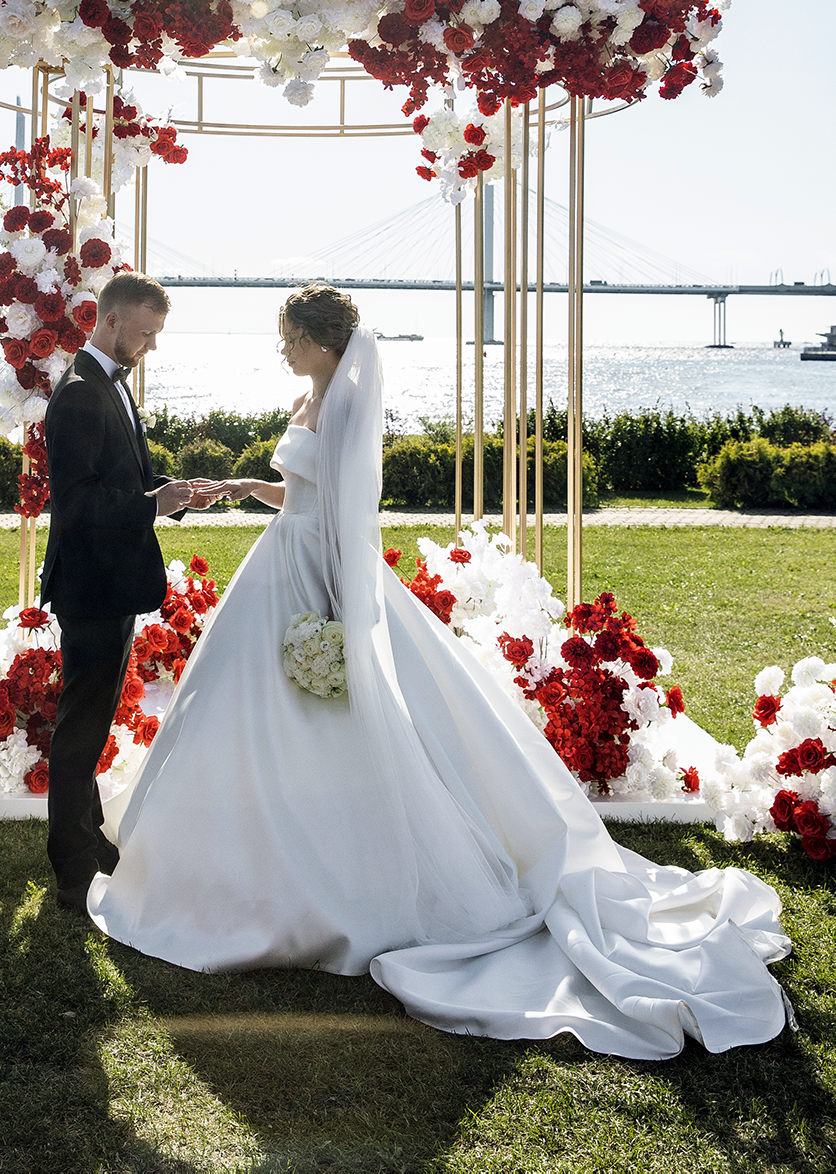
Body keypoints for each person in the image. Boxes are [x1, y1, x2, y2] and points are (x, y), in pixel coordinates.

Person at [88, 284, 791, 1058]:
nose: (281, 349)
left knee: (313, 725)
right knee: (235, 713)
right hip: (278, 560)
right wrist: (245, 488)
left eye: (289, 337)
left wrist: (329, 617)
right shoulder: (306, 396)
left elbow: (345, 518)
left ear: (322, 341)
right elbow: (302, 493)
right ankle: (211, 857)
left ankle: (312, 881)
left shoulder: (346, 407)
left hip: (313, 579)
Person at [40, 271, 218, 913]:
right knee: (80, 727)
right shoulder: (83, 393)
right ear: (111, 320)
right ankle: (72, 870)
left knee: (88, 719)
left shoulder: (108, 384)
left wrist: (169, 493)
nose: (150, 346)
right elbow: (78, 504)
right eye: (145, 333)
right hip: (91, 585)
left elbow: (119, 476)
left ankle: (89, 844)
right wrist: (151, 502)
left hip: (107, 582)